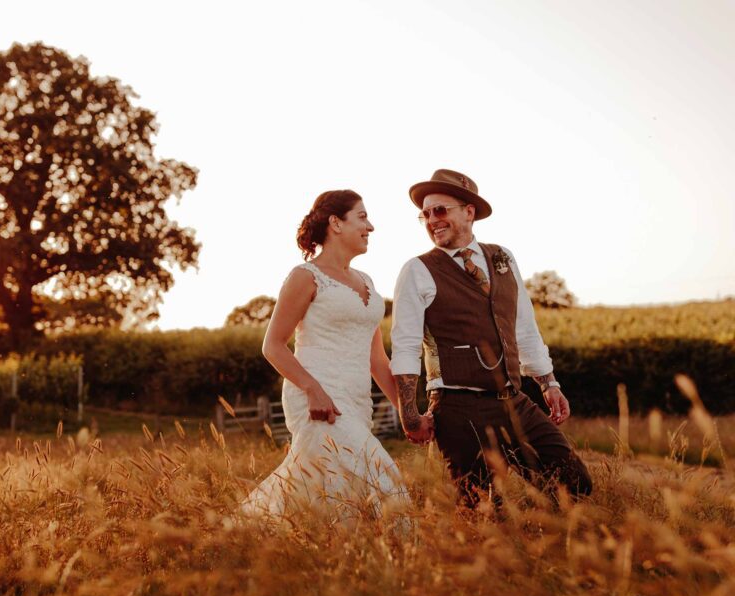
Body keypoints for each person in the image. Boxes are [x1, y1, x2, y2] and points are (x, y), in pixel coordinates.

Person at [389, 169, 593, 507]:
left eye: (440, 210)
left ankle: (542, 545)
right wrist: (410, 414)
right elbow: (406, 345)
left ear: (468, 211)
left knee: (573, 484)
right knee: (481, 506)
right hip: (457, 405)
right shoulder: (417, 270)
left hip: (513, 400)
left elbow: (524, 326)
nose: (431, 220)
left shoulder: (502, 257)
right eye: (424, 214)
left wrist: (548, 383)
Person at [240, 190, 412, 523]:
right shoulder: (305, 277)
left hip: (356, 401)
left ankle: (284, 543)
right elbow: (273, 345)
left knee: (333, 491)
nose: (370, 226)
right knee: (385, 482)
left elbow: (377, 360)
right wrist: (313, 389)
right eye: (362, 217)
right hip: (320, 400)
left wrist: (407, 411)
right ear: (335, 223)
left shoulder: (366, 282)